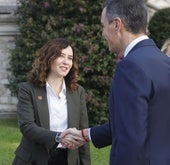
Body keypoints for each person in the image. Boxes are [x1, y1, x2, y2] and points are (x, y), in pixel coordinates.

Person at [62, 0, 170, 165]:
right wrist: (85, 134)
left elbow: (131, 139)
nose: (103, 33)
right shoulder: (164, 62)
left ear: (117, 24)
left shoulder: (130, 66)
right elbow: (143, 121)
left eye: (103, 25)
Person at [12, 38, 91, 165]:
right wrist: (58, 137)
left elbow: (82, 131)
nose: (66, 62)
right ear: (48, 58)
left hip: (68, 159)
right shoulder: (28, 89)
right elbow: (27, 126)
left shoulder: (78, 91)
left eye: (70, 58)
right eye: (61, 56)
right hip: (34, 159)